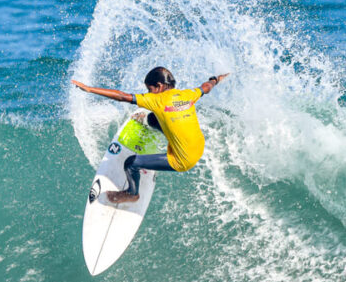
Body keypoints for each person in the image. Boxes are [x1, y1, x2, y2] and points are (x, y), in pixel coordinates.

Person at [71, 67, 229, 204]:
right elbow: (206, 87)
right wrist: (216, 79)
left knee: (130, 163)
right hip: (198, 146)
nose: (149, 93)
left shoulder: (156, 100)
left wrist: (90, 89)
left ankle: (132, 194)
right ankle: (161, 137)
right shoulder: (188, 94)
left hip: (183, 160)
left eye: (150, 89)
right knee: (153, 119)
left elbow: (122, 96)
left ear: (159, 86)